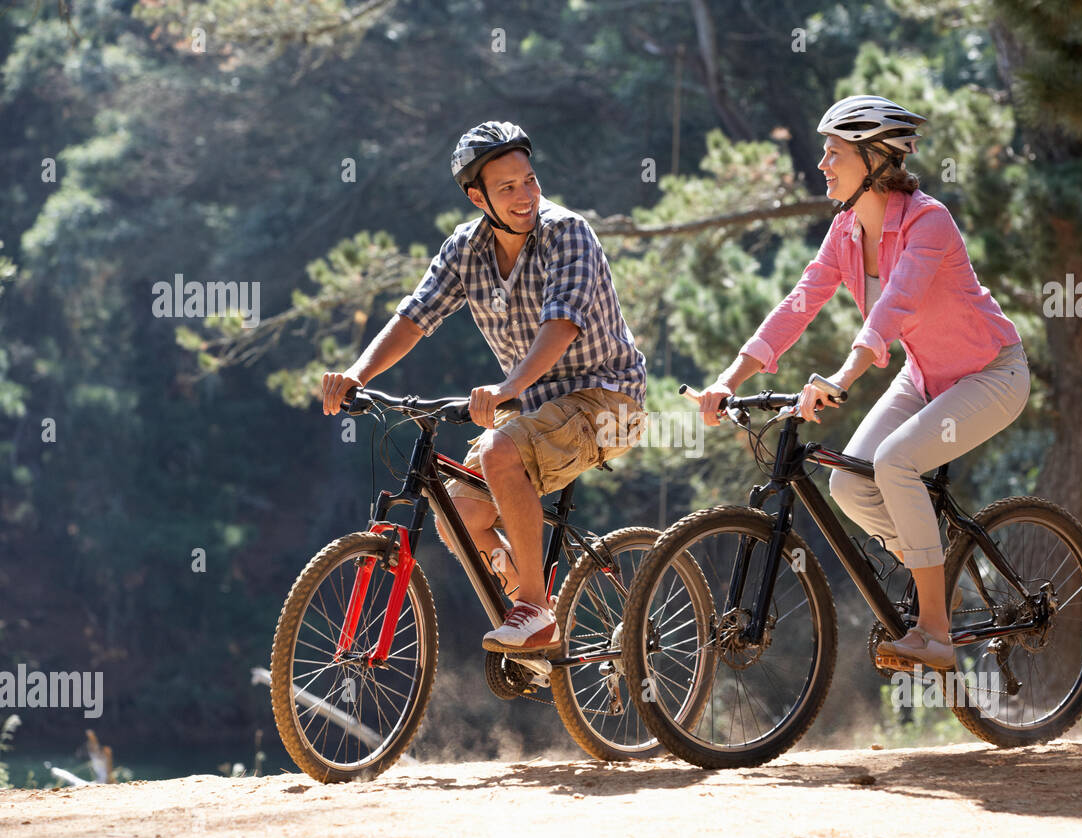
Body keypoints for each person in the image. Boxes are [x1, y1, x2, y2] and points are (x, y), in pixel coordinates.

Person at [695, 95, 1029, 671]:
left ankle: (935, 632)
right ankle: (935, 574)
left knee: (895, 462)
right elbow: (798, 304)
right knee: (850, 483)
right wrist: (728, 378)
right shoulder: (846, 230)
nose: (822, 165)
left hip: (992, 373)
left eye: (834, 154)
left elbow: (893, 310)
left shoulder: (929, 222)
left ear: (876, 160)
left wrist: (845, 375)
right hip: (925, 377)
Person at [321, 121, 647, 655]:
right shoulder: (465, 249)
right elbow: (414, 317)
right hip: (535, 408)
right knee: (460, 515)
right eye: (507, 188)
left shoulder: (568, 233)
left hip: (607, 399)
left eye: (530, 180)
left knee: (496, 447)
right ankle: (529, 600)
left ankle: (536, 611)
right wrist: (358, 374)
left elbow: (561, 327)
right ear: (478, 197)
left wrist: (505, 387)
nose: (525, 197)